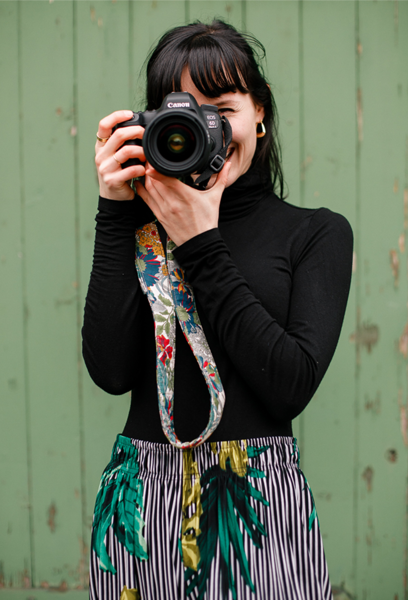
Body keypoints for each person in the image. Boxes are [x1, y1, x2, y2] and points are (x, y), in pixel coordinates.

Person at [83, 19, 353, 600]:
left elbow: (290, 386)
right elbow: (109, 371)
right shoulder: (140, 227)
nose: (206, 131)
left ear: (260, 110)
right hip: (141, 504)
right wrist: (115, 210)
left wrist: (201, 243)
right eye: (182, 113)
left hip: (255, 503)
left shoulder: (315, 233)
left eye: (223, 109)